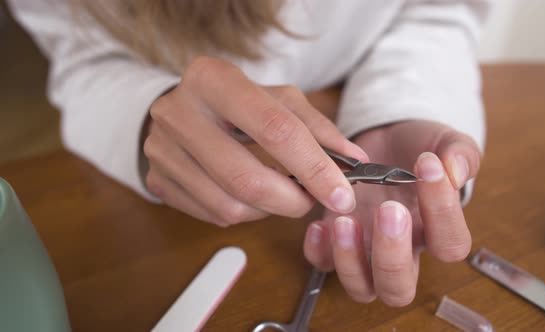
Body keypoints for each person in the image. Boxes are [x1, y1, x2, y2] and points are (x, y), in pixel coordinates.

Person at [8, 0, 489, 307]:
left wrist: (403, 108)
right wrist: (147, 118)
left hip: (357, 85)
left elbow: (433, 9)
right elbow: (82, 59)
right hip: (155, 231)